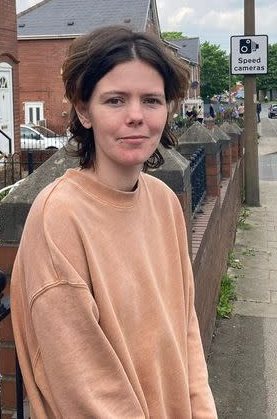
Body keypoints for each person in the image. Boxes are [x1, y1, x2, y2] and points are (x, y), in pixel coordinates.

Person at [11, 25, 218, 418]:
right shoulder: (59, 216)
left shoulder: (164, 204)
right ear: (84, 110)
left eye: (152, 100)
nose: (136, 116)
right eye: (116, 100)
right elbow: (83, 385)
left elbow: (185, 332)